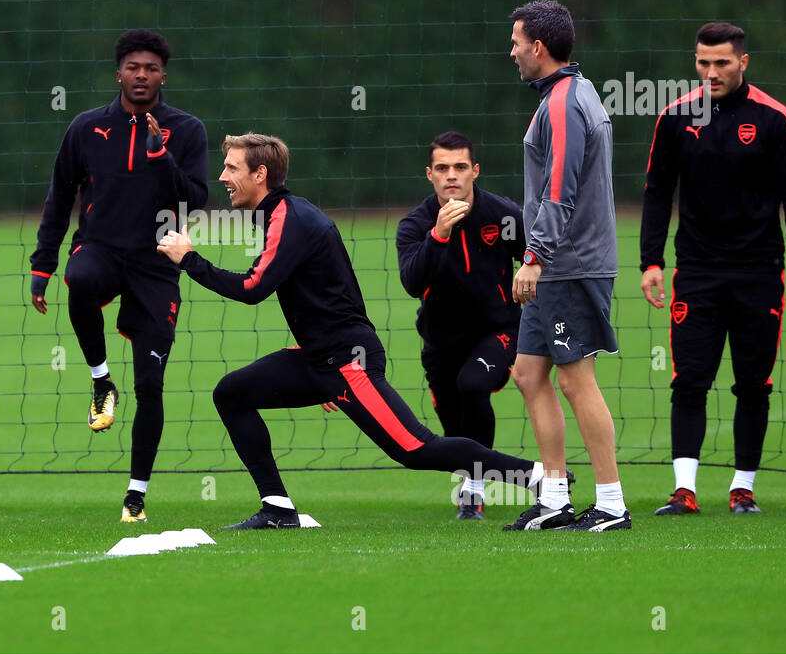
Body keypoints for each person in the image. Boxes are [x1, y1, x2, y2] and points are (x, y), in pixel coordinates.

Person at [157, 133, 549, 529]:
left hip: (347, 360)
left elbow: (252, 289)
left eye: (231, 168)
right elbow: (325, 290)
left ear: (260, 174)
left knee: (415, 448)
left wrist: (189, 259)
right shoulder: (284, 214)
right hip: (320, 357)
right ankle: (277, 509)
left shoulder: (288, 218)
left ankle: (541, 481)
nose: (222, 176)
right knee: (232, 393)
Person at [641, 21, 786, 515]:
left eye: (722, 62)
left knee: (753, 384)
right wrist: (651, 261)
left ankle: (743, 489)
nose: (711, 71)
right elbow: (658, 193)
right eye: (703, 62)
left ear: (744, 61)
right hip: (696, 273)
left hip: (760, 273)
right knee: (689, 380)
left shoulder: (775, 119)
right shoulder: (677, 117)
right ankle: (684, 491)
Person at [29, 30, 208, 523]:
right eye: (133, 67)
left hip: (157, 263)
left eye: (151, 68)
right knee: (80, 278)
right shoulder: (87, 128)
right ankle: (100, 380)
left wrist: (159, 154)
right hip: (101, 248)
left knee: (152, 383)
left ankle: (136, 495)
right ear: (119, 74)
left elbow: (195, 201)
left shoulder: (187, 130)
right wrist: (42, 265)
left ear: (163, 76)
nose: (142, 75)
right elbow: (59, 197)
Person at [505, 0, 630, 531]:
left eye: (516, 43)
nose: (511, 52)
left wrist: (534, 257)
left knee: (578, 380)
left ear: (538, 47)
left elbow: (560, 191)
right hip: (560, 262)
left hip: (567, 264)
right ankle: (555, 498)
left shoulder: (562, 103)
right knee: (529, 373)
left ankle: (611, 504)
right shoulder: (571, 92)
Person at [396, 130, 524, 519]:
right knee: (453, 429)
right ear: (430, 175)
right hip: (440, 340)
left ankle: (474, 490)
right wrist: (439, 235)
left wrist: (532, 271)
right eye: (442, 168)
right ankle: (474, 476)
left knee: (473, 386)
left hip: (497, 331)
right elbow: (411, 282)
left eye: (460, 167)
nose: (452, 175)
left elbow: (537, 258)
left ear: (475, 171)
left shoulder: (503, 216)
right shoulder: (415, 225)